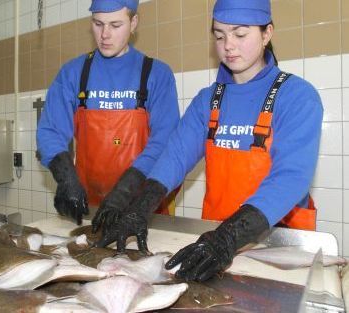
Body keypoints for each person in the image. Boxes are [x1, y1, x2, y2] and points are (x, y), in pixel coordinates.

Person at [95, 0, 323, 281]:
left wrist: (228, 237)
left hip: (276, 247)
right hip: (212, 249)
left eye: (240, 34)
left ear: (267, 34)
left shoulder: (297, 96)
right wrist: (139, 208)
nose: (228, 45)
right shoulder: (208, 100)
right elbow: (174, 157)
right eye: (219, 35)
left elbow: (291, 178)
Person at [36, 0, 180, 225]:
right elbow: (50, 131)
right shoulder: (74, 73)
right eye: (98, 23)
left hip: (143, 211)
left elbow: (165, 141)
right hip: (90, 210)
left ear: (133, 23)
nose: (105, 34)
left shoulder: (156, 74)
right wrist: (66, 177)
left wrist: (125, 190)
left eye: (115, 25)